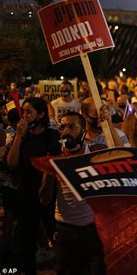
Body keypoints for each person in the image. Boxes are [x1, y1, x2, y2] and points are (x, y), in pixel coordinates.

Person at [41, 111, 106, 274]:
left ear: (83, 131)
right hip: (65, 230)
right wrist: (50, 166)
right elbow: (44, 198)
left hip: (92, 228)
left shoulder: (96, 152)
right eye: (63, 127)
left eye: (72, 127)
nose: (66, 131)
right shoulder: (57, 157)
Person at [6, 97, 61, 274]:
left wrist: (46, 186)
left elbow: (53, 163)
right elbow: (12, 162)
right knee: (27, 239)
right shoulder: (21, 135)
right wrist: (19, 137)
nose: (25, 116)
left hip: (46, 193)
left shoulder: (51, 135)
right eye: (24, 112)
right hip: (26, 192)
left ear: (42, 114)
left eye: (29, 112)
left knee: (53, 233)